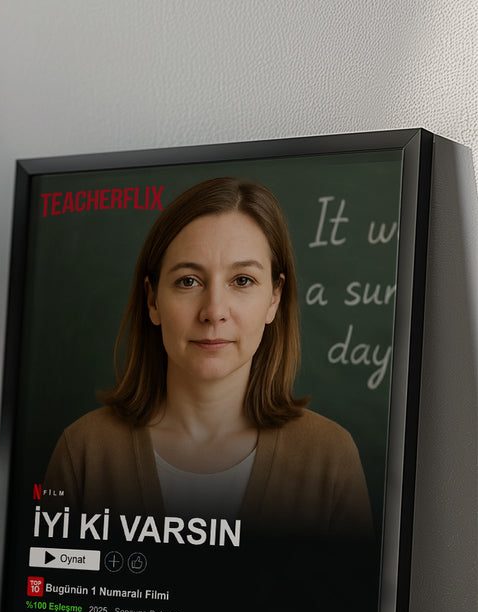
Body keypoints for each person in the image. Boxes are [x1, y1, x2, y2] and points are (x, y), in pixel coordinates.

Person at [44, 177, 372, 540]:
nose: (214, 311)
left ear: (275, 298)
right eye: (188, 281)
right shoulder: (84, 450)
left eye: (243, 280)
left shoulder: (331, 458)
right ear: (152, 300)